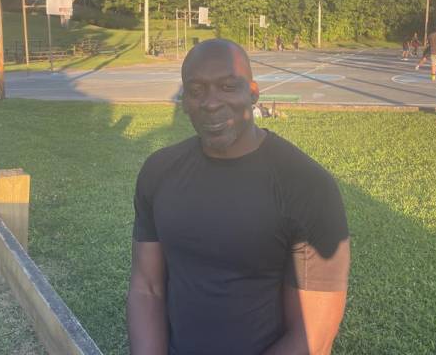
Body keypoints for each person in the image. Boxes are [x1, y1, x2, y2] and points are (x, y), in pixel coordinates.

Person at [127, 39, 350, 355]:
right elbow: (146, 288)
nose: (211, 102)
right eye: (196, 90)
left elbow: (313, 337)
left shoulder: (307, 186)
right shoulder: (159, 172)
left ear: (254, 93)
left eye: (228, 86)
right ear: (185, 101)